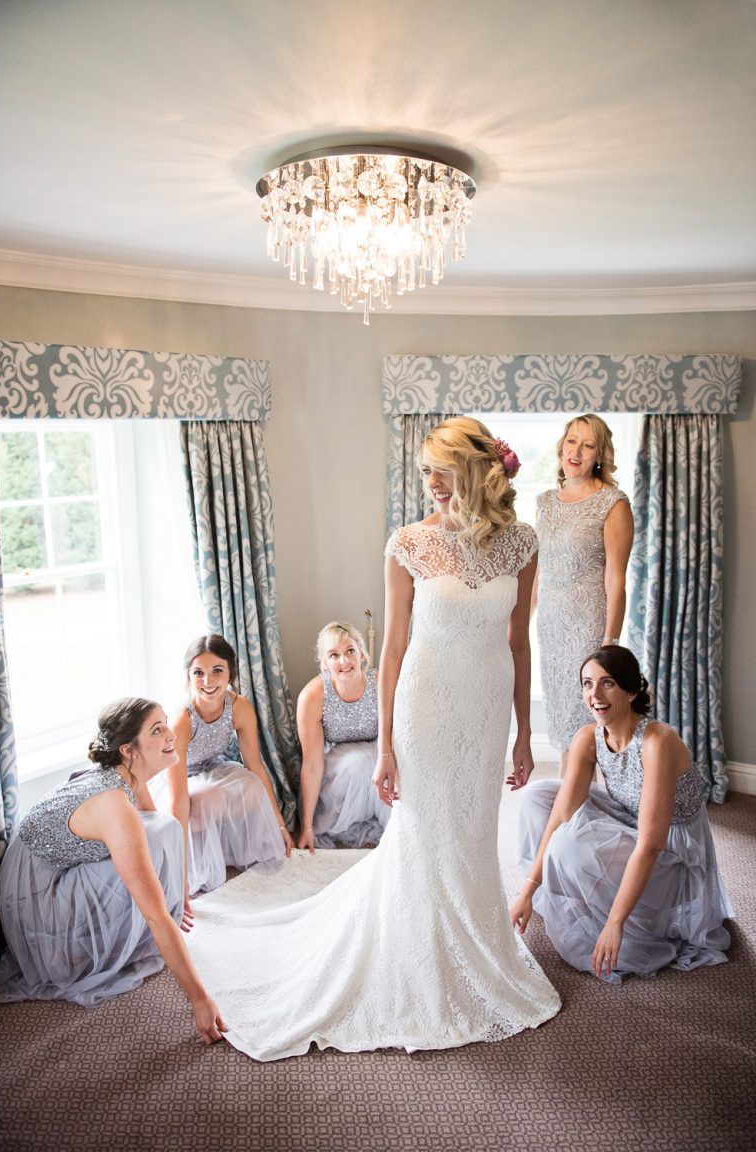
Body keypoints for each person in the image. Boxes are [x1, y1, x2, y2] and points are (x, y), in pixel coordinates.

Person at [184, 417, 560, 1059]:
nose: (433, 484)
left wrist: (527, 733)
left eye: (444, 470)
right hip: (428, 706)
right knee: (426, 828)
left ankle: (476, 941)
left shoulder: (522, 543)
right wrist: (385, 745)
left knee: (471, 829)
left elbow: (520, 642)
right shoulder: (408, 544)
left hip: (487, 707)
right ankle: (420, 950)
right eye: (425, 473)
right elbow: (392, 652)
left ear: (478, 470)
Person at [0, 697, 227, 1043]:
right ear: (129, 750)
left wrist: (178, 895)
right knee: (149, 872)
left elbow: (155, 821)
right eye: (157, 730)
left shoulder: (127, 774)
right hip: (39, 897)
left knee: (164, 830)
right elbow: (156, 915)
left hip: (53, 867)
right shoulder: (114, 804)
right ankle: (83, 945)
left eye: (165, 724)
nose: (170, 735)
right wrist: (200, 999)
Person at [510, 646, 732, 984]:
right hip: (627, 815)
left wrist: (614, 924)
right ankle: (559, 890)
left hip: (670, 849)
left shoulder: (658, 741)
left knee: (570, 847)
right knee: (537, 798)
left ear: (631, 691)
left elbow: (650, 845)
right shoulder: (589, 737)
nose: (594, 695)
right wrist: (527, 891)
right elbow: (560, 815)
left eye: (607, 683)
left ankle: (615, 907)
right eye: (587, 684)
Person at [150, 634, 293, 902]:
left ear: (230, 673)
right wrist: (177, 873)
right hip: (174, 779)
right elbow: (178, 799)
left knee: (251, 784)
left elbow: (256, 766)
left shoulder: (239, 707)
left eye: (217, 671)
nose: (208, 681)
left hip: (211, 767)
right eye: (198, 673)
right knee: (204, 799)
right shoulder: (183, 720)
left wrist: (280, 826)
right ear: (188, 678)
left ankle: (227, 850)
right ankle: (196, 861)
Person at [535, 413, 634, 776]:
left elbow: (616, 579)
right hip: (551, 625)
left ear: (599, 455)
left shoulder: (613, 503)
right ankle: (570, 797)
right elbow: (538, 570)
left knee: (586, 717)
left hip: (587, 626)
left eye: (588, 444)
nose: (576, 451)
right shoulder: (545, 502)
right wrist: (521, 625)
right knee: (562, 715)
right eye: (572, 441)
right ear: (562, 446)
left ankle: (578, 805)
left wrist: (609, 642)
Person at [296, 621, 390, 850]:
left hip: (379, 749)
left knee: (382, 765)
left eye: (350, 651)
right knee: (359, 764)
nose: (344, 661)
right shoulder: (312, 696)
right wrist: (306, 827)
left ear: (362, 654)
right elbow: (311, 765)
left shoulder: (381, 683)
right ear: (325, 664)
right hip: (336, 762)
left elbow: (395, 736)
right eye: (334, 655)